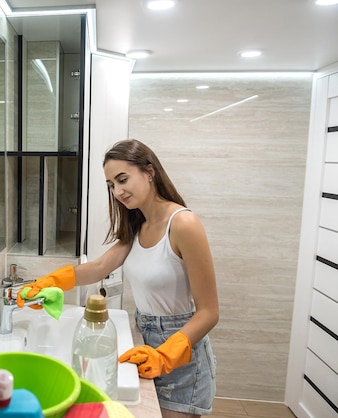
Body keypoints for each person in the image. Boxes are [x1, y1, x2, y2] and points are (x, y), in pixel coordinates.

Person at [17, 139, 218, 418]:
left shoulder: (183, 223)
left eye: (123, 179)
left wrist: (167, 354)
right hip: (145, 342)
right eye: (111, 185)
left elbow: (209, 312)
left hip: (182, 355)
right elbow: (99, 267)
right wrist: (49, 282)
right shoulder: (138, 226)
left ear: (149, 171)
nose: (118, 191)